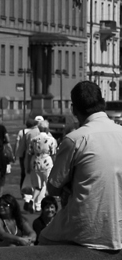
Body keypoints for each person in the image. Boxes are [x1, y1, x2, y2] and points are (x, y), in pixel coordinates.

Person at [41, 81, 122, 250]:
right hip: (119, 228)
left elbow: (53, 188)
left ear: (74, 109)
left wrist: (69, 186)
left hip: (88, 231)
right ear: (103, 103)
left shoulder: (75, 139)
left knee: (43, 238)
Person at [28, 118, 57, 213]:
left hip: (35, 162)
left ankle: (33, 200)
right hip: (46, 161)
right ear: (47, 128)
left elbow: (30, 152)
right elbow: (53, 153)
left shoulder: (33, 140)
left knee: (37, 185)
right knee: (46, 184)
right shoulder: (51, 139)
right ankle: (38, 204)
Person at [17, 117, 41, 211]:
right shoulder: (43, 133)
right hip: (42, 160)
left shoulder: (28, 134)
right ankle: (36, 202)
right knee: (40, 182)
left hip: (30, 158)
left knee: (28, 179)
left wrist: (19, 157)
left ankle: (27, 199)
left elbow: (23, 148)